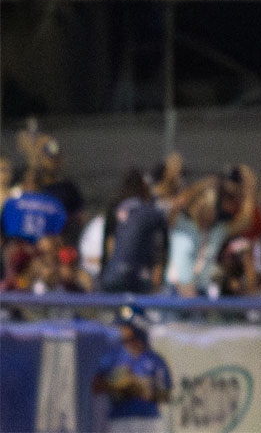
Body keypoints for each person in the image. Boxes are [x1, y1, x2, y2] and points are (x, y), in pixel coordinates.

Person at [91, 304, 172, 433]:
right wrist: (112, 385)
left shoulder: (154, 359)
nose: (121, 331)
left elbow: (165, 394)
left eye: (125, 327)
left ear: (138, 327)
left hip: (148, 420)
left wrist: (141, 386)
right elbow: (95, 386)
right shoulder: (114, 356)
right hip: (120, 419)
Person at [100, 168, 168, 294]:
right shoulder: (151, 213)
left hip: (112, 277)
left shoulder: (115, 208)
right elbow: (159, 248)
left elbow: (110, 246)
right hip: (138, 279)